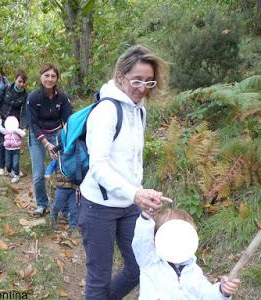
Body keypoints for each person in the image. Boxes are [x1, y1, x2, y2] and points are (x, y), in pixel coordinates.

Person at [78, 45, 169, 299]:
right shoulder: (106, 111)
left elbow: (131, 159)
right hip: (98, 206)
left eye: (148, 81)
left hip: (129, 204)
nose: (142, 88)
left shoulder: (138, 108)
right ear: (120, 77)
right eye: (136, 80)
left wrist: (141, 193)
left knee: (138, 266)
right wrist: (136, 193)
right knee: (99, 278)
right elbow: (99, 167)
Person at [132, 208, 240, 299]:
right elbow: (141, 242)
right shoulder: (150, 262)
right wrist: (146, 216)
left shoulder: (193, 270)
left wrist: (222, 291)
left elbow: (206, 295)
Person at [26, 63, 72, 216]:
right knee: (39, 173)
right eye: (47, 75)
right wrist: (46, 144)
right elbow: (32, 123)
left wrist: (63, 143)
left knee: (64, 172)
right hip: (37, 136)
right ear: (41, 77)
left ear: (57, 79)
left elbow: (68, 122)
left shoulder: (63, 98)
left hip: (57, 134)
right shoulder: (33, 97)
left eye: (53, 76)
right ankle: (41, 204)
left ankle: (64, 208)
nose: (50, 79)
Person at [0, 70, 28, 176]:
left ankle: (15, 168)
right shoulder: (6, 88)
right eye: (19, 81)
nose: (21, 84)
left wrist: (23, 126)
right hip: (4, 118)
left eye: (23, 82)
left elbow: (24, 112)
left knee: (15, 145)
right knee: (2, 143)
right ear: (15, 80)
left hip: (15, 122)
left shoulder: (25, 95)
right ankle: (1, 166)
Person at [45, 159, 78, 236]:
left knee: (74, 209)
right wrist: (48, 173)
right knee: (57, 206)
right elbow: (51, 166)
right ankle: (53, 219)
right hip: (61, 188)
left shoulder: (77, 157)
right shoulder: (58, 159)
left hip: (74, 188)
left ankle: (73, 227)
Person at [0, 116, 26, 183]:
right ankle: (10, 172)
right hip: (7, 150)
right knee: (8, 164)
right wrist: (0, 121)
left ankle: (16, 175)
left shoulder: (17, 132)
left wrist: (16, 129)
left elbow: (23, 134)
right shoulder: (6, 131)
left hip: (16, 150)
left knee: (15, 163)